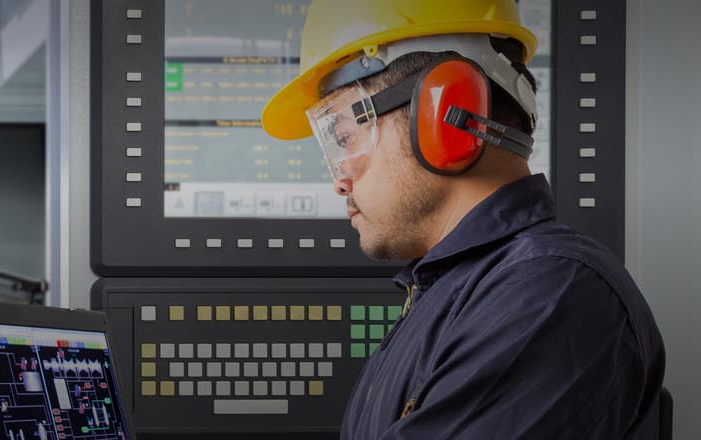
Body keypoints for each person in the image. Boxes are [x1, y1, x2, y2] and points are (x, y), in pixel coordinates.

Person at [259, 1, 666, 438]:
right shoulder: (455, 288)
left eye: (343, 135)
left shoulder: (551, 296)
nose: (340, 181)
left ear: (444, 109)